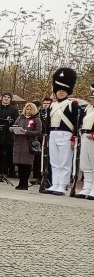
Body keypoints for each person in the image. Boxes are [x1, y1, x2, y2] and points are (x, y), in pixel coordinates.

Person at [46, 67, 86, 196]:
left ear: (67, 92)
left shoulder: (72, 104)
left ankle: (62, 185)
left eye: (63, 90)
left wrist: (75, 136)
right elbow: (48, 122)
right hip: (53, 134)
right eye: (58, 91)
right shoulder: (52, 105)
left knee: (64, 161)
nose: (61, 92)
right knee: (54, 161)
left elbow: (77, 122)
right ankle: (55, 183)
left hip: (65, 134)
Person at [10, 102, 42, 191]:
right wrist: (12, 129)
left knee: (26, 163)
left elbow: (38, 131)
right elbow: (15, 125)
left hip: (28, 143)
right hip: (19, 142)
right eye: (27, 109)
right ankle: (21, 183)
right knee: (19, 164)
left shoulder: (36, 119)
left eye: (30, 109)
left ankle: (25, 183)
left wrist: (27, 132)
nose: (28, 111)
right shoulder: (20, 118)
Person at [77, 85, 94, 199]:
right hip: (84, 135)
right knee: (85, 164)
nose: (92, 99)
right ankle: (87, 186)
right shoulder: (88, 108)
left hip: (92, 136)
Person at [34, 96, 52, 184]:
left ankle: (48, 177)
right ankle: (38, 176)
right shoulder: (38, 113)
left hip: (49, 136)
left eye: (48, 104)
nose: (46, 105)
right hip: (40, 137)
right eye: (45, 104)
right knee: (38, 157)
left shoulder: (52, 113)